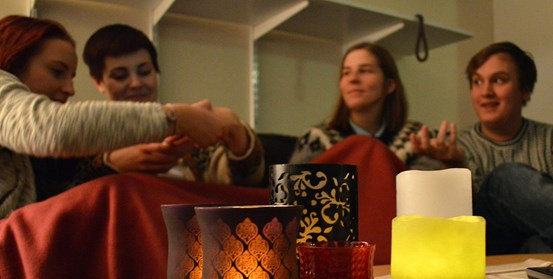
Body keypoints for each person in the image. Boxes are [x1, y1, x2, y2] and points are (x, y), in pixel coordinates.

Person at [0, 15, 254, 216]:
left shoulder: (196, 137)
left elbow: (240, 191)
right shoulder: (77, 142)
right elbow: (51, 133)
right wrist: (109, 166)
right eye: (57, 72)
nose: (69, 90)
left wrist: (239, 140)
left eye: (144, 71)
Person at [412, 41, 553, 254]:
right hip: (484, 248)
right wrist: (456, 166)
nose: (486, 91)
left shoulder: (548, 138)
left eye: (498, 80)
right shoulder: (455, 146)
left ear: (525, 90)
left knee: (537, 244)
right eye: (477, 82)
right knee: (506, 178)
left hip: (532, 251)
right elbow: (445, 225)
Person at [81, 24, 264, 186]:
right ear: (98, 82)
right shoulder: (85, 141)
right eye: (120, 76)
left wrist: (238, 136)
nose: (136, 83)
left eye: (144, 72)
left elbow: (243, 185)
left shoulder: (189, 128)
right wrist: (111, 165)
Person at [289, 41, 443, 170]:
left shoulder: (419, 139)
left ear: (389, 85)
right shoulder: (316, 139)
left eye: (364, 71)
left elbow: (423, 197)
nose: (353, 79)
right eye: (346, 73)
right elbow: (295, 195)